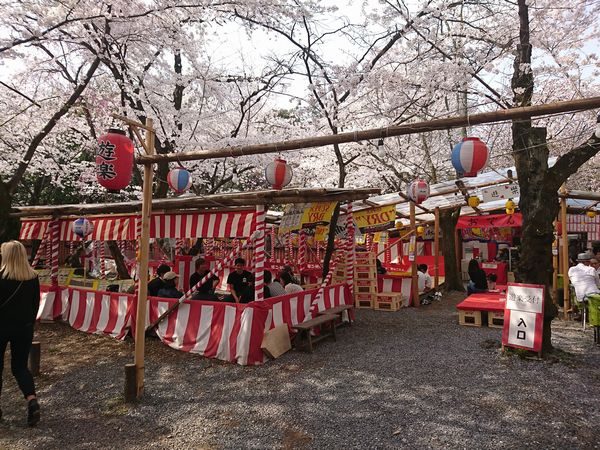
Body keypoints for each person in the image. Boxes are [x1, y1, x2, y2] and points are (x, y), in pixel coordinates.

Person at [0, 240, 41, 426]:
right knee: (20, 367)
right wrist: (29, 323)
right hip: (24, 328)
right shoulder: (32, 278)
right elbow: (35, 306)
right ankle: (31, 400)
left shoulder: (1, 278)